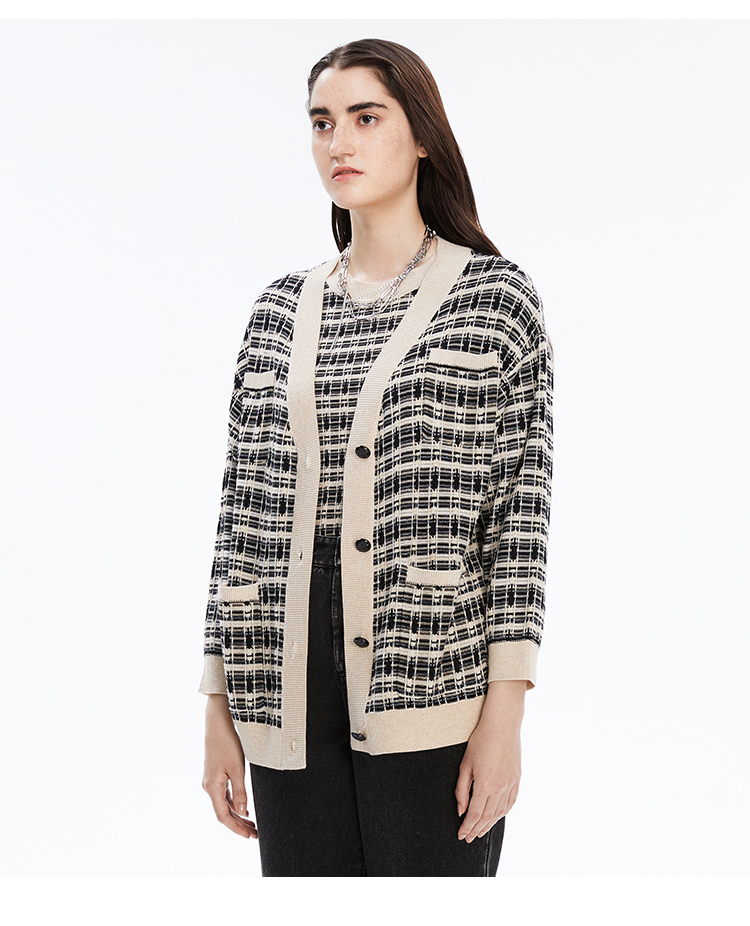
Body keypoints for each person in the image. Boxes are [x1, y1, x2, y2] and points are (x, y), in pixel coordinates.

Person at [200, 37, 554, 877]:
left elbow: (519, 523)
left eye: (366, 118)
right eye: (322, 122)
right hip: (277, 683)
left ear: (422, 134)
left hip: (429, 674)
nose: (339, 143)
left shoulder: (493, 299)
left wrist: (505, 717)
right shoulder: (278, 310)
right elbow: (238, 512)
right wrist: (216, 703)